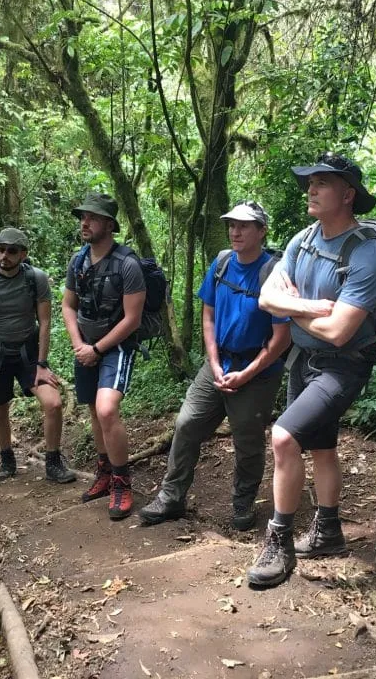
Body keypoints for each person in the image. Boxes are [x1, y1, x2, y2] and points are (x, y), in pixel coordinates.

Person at [245, 153, 376, 588]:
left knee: (284, 437)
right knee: (322, 448)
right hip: (303, 361)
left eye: (322, 183)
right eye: (310, 181)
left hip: (342, 367)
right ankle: (328, 531)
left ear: (347, 195)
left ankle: (280, 540)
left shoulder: (365, 254)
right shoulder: (303, 238)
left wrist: (293, 311)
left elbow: (341, 331)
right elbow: (267, 298)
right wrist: (307, 307)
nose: (311, 188)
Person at [139, 202, 291, 531]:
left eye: (244, 226)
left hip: (258, 372)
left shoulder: (274, 274)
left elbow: (282, 337)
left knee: (248, 441)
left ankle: (242, 504)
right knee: (187, 423)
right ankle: (171, 496)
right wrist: (214, 361)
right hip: (218, 363)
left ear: (261, 231)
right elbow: (208, 314)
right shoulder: (221, 262)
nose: (235, 231)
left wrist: (247, 373)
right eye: (231, 225)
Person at [0, 227, 75, 483]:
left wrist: (42, 364)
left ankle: (53, 462)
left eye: (12, 251)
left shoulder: (36, 279)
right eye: (1, 249)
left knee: (53, 403)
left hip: (27, 353)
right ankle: (6, 459)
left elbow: (45, 322)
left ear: (23, 254)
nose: (5, 255)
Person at [61, 193, 145, 520]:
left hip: (115, 346)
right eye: (83, 216)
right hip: (85, 345)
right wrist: (79, 345)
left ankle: (122, 481)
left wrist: (96, 349)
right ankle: (105, 473)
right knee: (94, 414)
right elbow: (69, 305)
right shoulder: (78, 261)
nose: (85, 222)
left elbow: (132, 319)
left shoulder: (128, 265)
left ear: (109, 225)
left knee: (107, 408)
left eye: (92, 218)